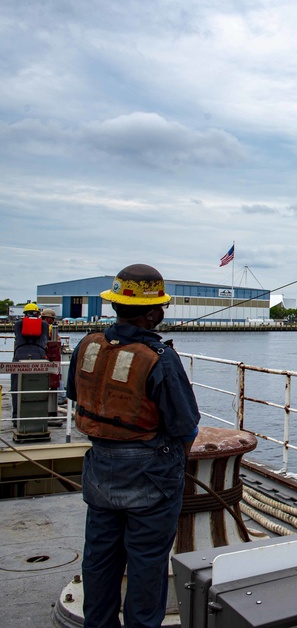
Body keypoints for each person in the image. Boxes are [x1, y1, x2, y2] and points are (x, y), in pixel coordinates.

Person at [66, 264, 200, 628]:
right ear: (155, 311)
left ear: (115, 304)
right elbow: (186, 428)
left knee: (99, 560)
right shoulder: (160, 358)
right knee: (146, 565)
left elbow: (75, 395)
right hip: (151, 478)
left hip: (99, 471)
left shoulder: (87, 345)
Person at [12, 302, 51, 423]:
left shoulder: (18, 324)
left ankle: (16, 417)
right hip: (39, 356)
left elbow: (17, 336)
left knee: (16, 388)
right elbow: (46, 338)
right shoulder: (44, 325)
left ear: (24, 313)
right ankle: (38, 416)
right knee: (39, 386)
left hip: (20, 356)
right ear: (39, 314)